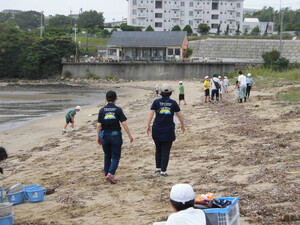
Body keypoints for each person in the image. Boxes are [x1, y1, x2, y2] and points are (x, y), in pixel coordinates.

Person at [146, 83, 185, 176]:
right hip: (168, 129)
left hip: (157, 128)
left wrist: (147, 125)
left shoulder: (156, 102)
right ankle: (163, 171)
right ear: (171, 93)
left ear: (161, 92)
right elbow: (179, 115)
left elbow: (151, 114)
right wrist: (183, 125)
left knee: (158, 149)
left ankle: (158, 168)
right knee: (166, 150)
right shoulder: (173, 103)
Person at [97, 91, 133, 184]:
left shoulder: (102, 110)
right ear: (115, 99)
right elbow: (123, 123)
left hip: (104, 135)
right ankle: (111, 174)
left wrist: (98, 136)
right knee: (115, 156)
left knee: (107, 155)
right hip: (115, 135)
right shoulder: (118, 110)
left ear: (106, 99)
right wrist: (129, 135)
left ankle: (107, 174)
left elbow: (98, 125)